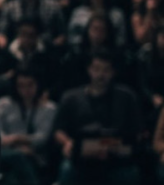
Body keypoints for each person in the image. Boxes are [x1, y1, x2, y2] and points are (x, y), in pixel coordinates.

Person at [54, 52, 143, 185]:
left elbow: (138, 129)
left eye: (106, 70)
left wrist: (120, 145)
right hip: (82, 154)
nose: (101, 75)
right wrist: (67, 142)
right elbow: (58, 129)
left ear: (113, 72)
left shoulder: (126, 96)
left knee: (130, 173)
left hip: (117, 153)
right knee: (68, 170)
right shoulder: (71, 97)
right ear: (89, 70)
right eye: (96, 69)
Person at [0, 71, 57, 185]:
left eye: (30, 85)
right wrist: (14, 142)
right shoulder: (4, 104)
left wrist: (18, 139)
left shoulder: (48, 108)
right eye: (21, 86)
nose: (25, 90)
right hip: (4, 152)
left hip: (35, 155)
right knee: (16, 157)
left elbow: (42, 138)